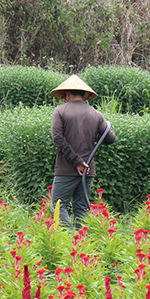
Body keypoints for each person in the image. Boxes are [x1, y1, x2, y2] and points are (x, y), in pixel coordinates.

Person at [49, 74, 116, 230]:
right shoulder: (96, 114)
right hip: (88, 169)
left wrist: (76, 161)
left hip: (66, 169)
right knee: (80, 207)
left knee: (58, 205)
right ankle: (81, 244)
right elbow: (110, 138)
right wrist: (92, 134)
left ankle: (69, 238)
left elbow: (57, 138)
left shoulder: (60, 111)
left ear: (65, 94)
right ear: (85, 95)